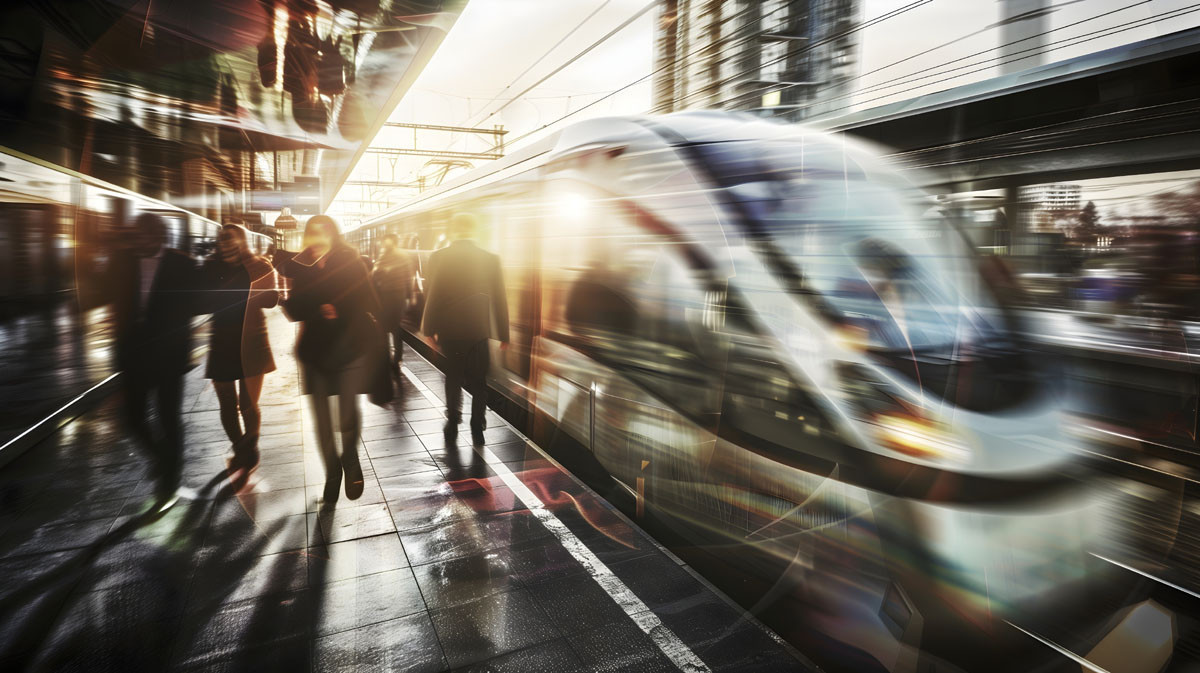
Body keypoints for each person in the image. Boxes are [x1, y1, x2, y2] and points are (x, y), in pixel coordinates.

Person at [279, 215, 380, 502]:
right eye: (313, 233)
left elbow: (369, 300)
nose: (319, 239)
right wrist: (316, 308)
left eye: (324, 233)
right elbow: (292, 309)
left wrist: (340, 309)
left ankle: (350, 459)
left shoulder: (351, 260)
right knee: (322, 420)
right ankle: (332, 471)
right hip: (314, 351)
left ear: (334, 236)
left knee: (348, 411)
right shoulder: (299, 266)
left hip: (349, 347)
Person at [107, 212, 197, 505]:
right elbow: (117, 309)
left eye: (142, 236)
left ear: (158, 236)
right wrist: (118, 355)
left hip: (169, 354)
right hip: (135, 353)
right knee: (132, 418)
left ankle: (169, 481)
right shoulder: (123, 261)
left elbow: (190, 309)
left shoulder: (182, 264)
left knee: (168, 417)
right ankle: (162, 457)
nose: (137, 241)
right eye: (134, 235)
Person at [421, 212, 509, 443]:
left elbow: (433, 294)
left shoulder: (439, 257)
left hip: (450, 331)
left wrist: (429, 328)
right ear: (474, 230)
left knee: (453, 377)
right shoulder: (490, 258)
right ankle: (477, 424)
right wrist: (504, 334)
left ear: (453, 230)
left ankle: (452, 421)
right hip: (478, 330)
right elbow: (499, 297)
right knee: (479, 381)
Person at [199, 224, 278, 475]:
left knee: (248, 404)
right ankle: (240, 449)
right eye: (222, 239)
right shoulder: (211, 267)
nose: (226, 243)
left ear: (243, 241)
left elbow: (272, 299)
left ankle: (250, 447)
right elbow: (200, 301)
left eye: (231, 239)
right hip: (221, 342)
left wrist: (250, 285)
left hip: (252, 340)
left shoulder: (259, 265)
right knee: (226, 404)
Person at [371, 233, 414, 372]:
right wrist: (409, 296)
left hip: (385, 298)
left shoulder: (382, 257)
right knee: (397, 329)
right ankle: (397, 360)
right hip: (399, 298)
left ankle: (386, 358)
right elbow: (409, 277)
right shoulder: (404, 257)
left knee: (383, 329)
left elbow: (374, 277)